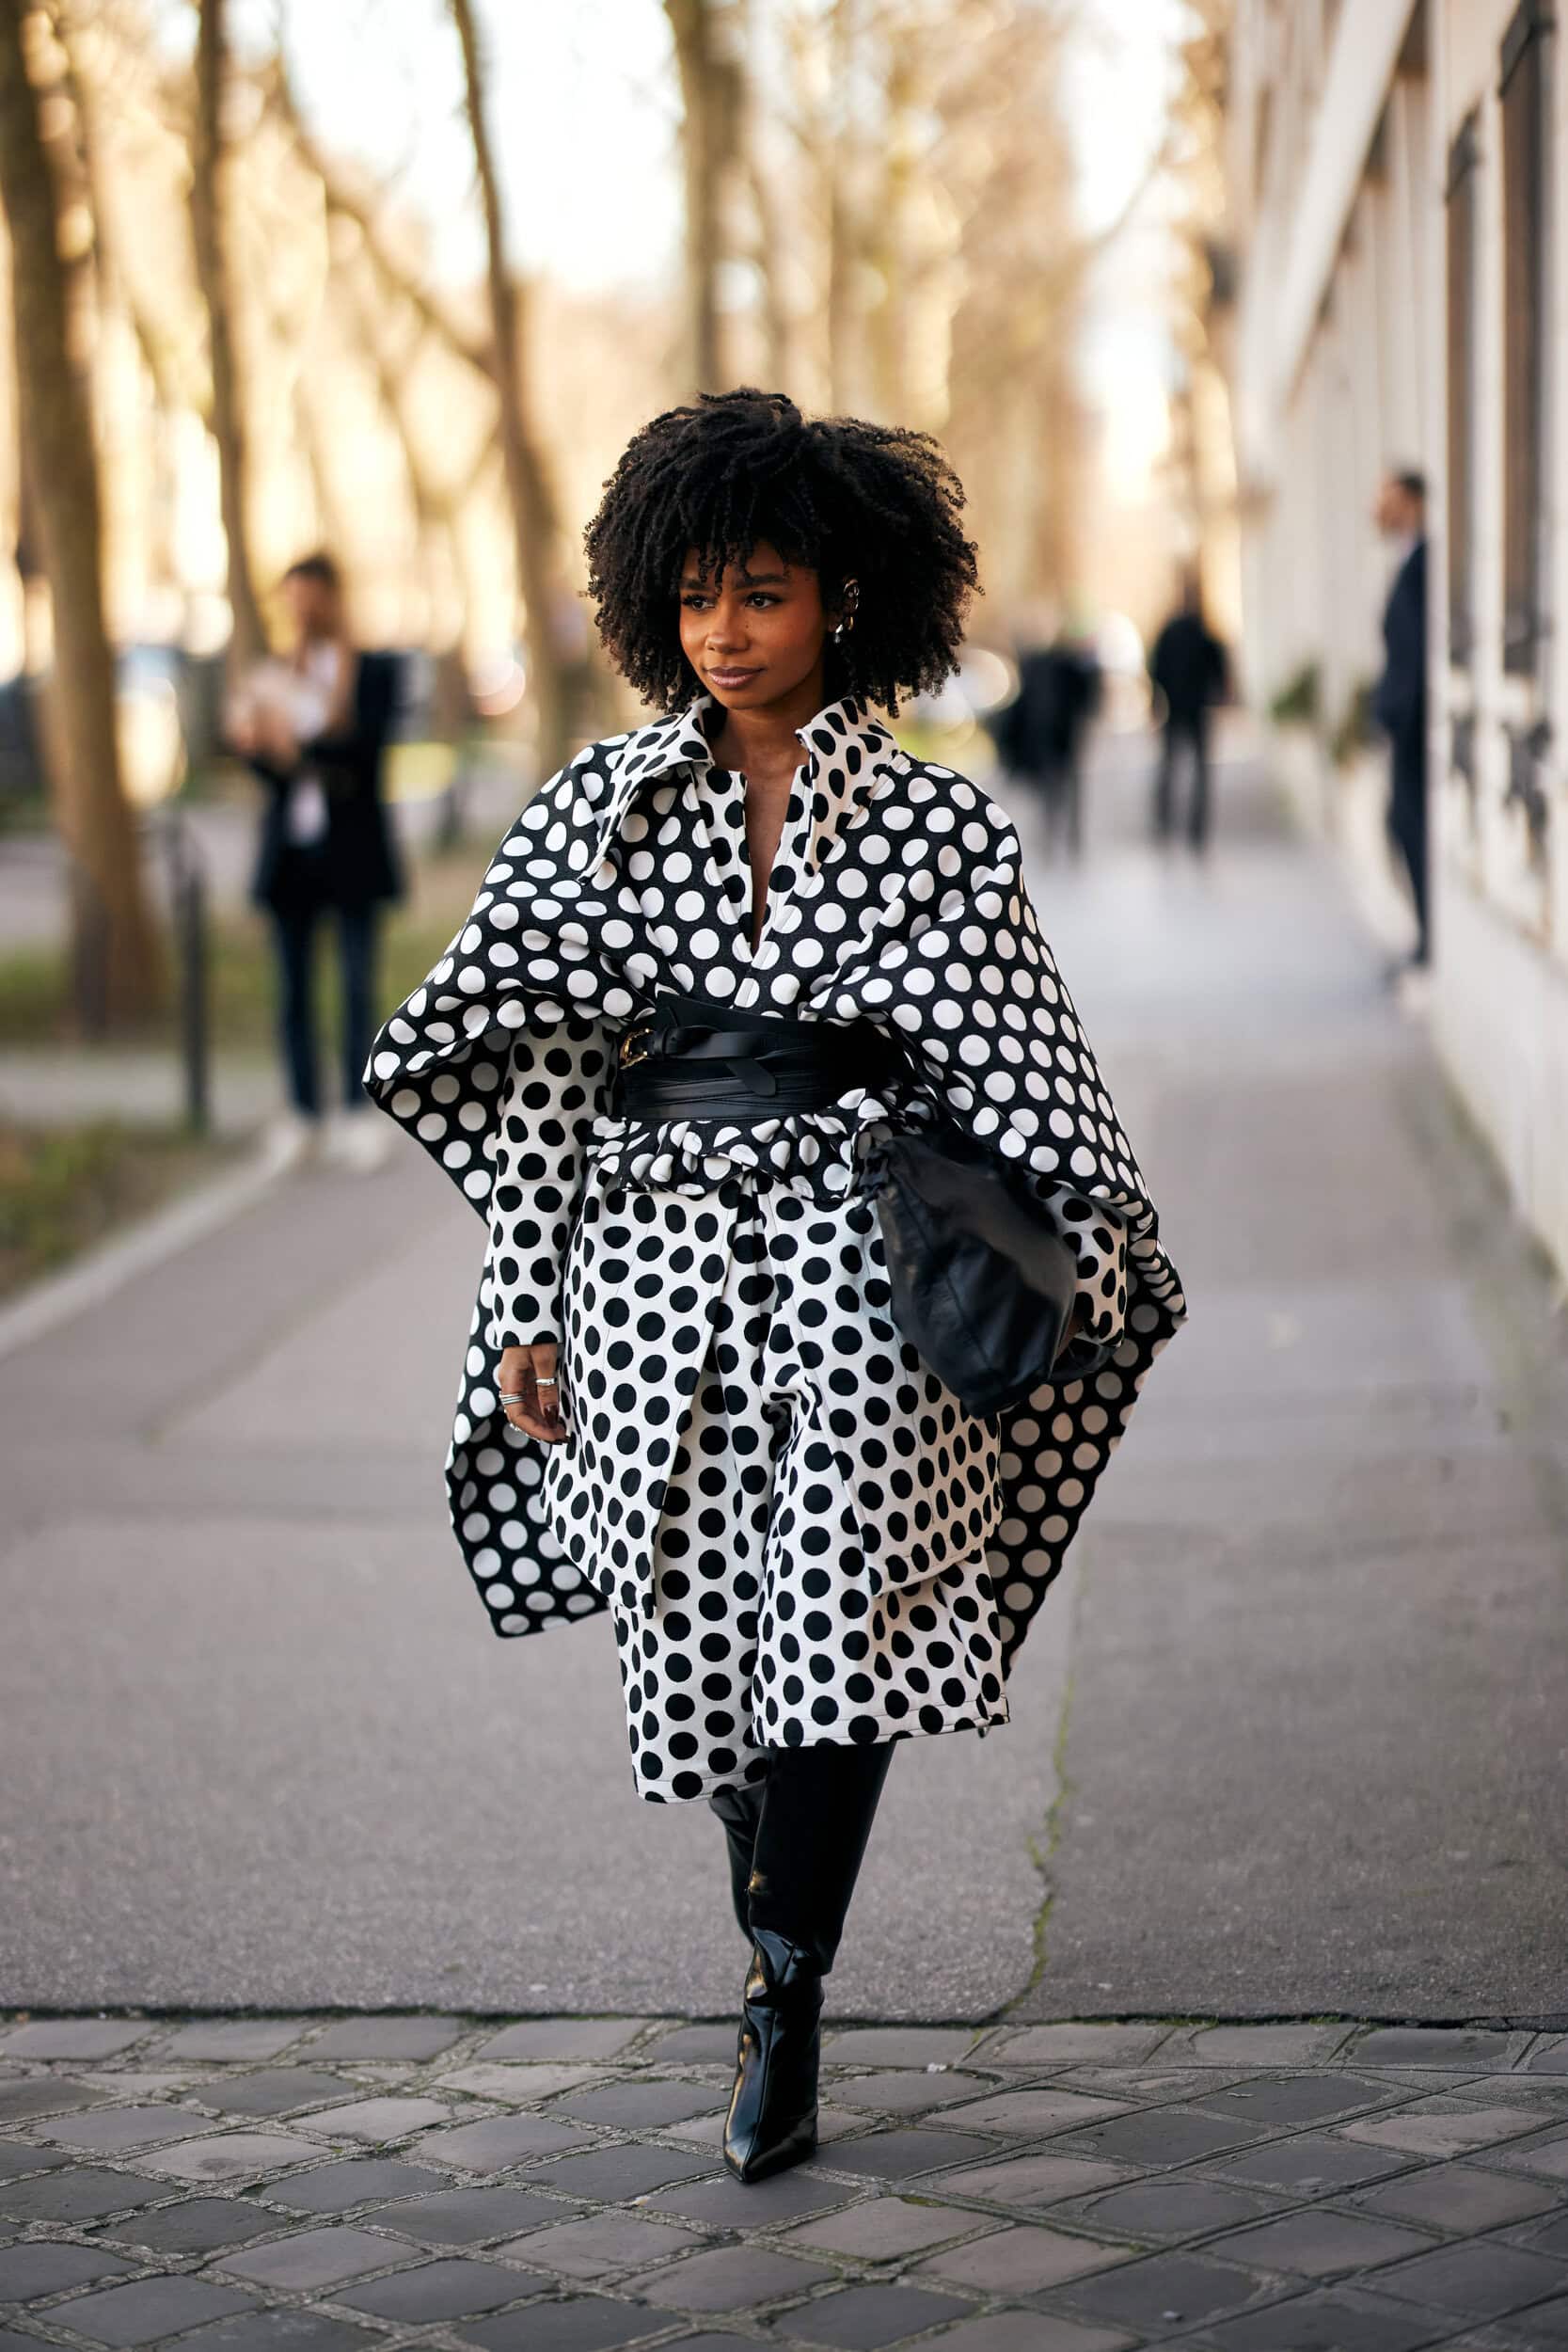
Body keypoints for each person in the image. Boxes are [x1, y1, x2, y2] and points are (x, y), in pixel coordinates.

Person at [364, 390, 1187, 2184]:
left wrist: (1087, 1242)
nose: (725, 634)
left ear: (843, 596)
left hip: (852, 1264)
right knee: (706, 1625)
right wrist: (524, 1301)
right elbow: (541, 1075)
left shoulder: (933, 832)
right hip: (648, 1262)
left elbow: (1013, 1057)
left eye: (761, 593)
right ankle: (773, 1920)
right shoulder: (597, 806)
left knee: (843, 1616)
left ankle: (784, 1994)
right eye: (692, 600)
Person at [230, 553, 404, 1170]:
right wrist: (262, 747)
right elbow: (260, 762)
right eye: (292, 600)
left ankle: (359, 1115)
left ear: (332, 598)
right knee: (292, 994)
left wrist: (293, 744)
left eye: (311, 598)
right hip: (291, 857)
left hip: (353, 852)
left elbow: (366, 752)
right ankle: (304, 1111)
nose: (301, 612)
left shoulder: (374, 671)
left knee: (358, 986)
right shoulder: (273, 672)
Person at [1371, 468, 1430, 971]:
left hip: (1412, 730)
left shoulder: (1422, 565)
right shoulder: (1407, 561)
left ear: (1412, 501)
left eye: (1386, 497)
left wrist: (1400, 719)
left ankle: (1429, 937)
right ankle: (1425, 933)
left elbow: (1414, 656)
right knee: (1399, 826)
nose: (1377, 509)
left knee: (1409, 826)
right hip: (1403, 726)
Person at [995, 621, 1102, 856]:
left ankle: (1059, 837)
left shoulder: (1044, 666)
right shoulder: (1066, 667)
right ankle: (1066, 838)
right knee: (1062, 789)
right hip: (1057, 740)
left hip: (1052, 740)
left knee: (1056, 790)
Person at [1148, 576, 1228, 849]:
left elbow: (1156, 668)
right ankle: (1186, 823)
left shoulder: (1183, 632)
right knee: (1187, 768)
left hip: (1182, 709)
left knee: (1175, 767)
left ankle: (1171, 821)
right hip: (1191, 709)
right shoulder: (1198, 632)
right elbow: (1218, 669)